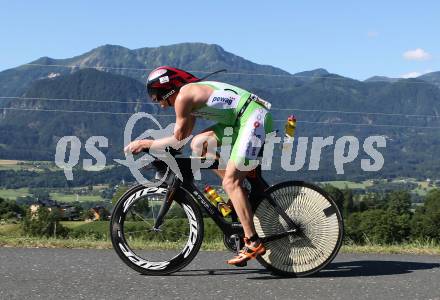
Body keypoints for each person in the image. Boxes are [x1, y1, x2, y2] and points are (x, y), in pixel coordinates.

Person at [124, 66, 273, 266]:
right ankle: (240, 192)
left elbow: (177, 138)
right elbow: (183, 139)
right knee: (199, 144)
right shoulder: (190, 95)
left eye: (159, 98)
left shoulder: (185, 96)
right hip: (242, 120)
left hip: (253, 120)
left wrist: (145, 143)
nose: (161, 105)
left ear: (168, 90)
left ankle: (253, 242)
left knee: (230, 183)